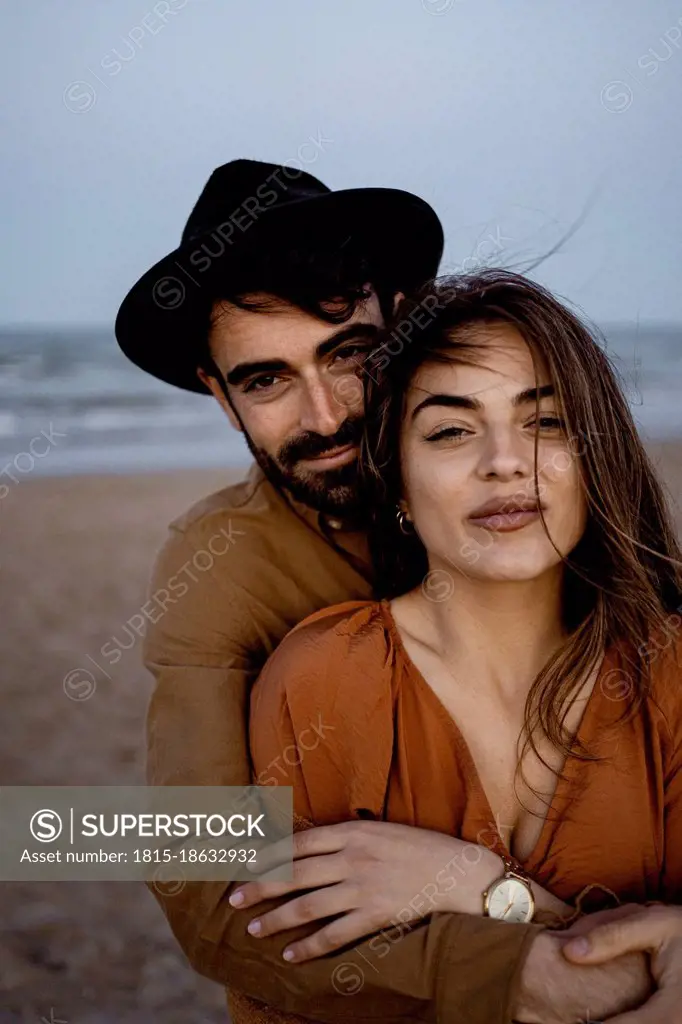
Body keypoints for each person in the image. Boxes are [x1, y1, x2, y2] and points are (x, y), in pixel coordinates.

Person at [116, 164, 658, 1024]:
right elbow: (192, 871)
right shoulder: (221, 567)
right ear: (222, 400)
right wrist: (516, 959)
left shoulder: (555, 500)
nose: (327, 415)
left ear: (406, 321)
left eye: (350, 356)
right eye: (265, 381)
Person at [247, 270, 682, 1023]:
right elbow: (293, 970)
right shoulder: (322, 680)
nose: (505, 462)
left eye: (546, 423)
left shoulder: (668, 671)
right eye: (451, 430)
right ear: (399, 487)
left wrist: (482, 891)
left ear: (594, 456)